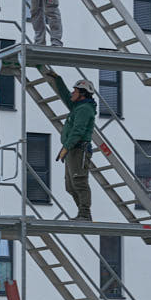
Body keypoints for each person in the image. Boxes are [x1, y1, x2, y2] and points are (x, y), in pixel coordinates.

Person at [42, 67, 97, 221]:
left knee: (79, 182)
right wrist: (57, 79)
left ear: (82, 94)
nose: (73, 93)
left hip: (79, 149)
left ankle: (85, 214)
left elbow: (78, 131)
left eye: (76, 91)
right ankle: (83, 214)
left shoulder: (85, 109)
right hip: (72, 149)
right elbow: (65, 96)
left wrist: (66, 147)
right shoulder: (78, 106)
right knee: (70, 186)